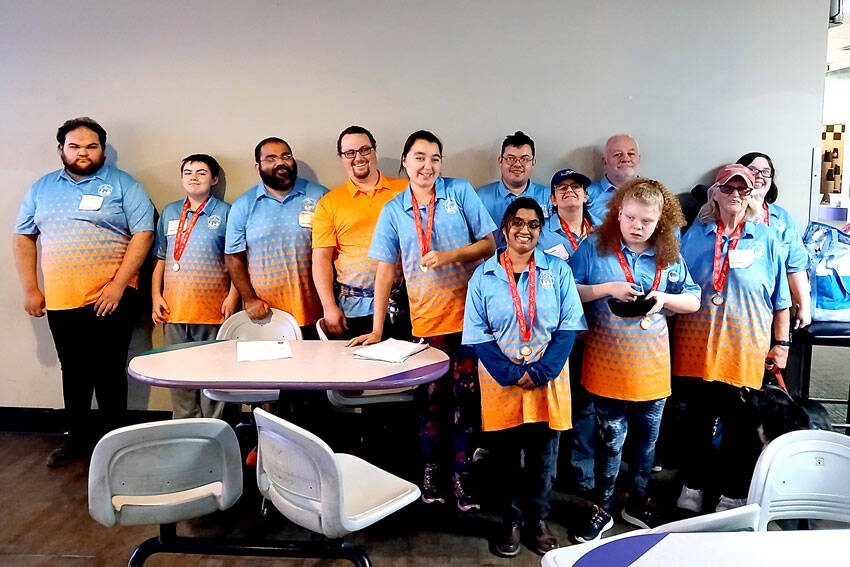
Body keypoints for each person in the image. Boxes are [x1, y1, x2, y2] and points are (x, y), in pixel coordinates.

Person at [350, 130, 496, 511]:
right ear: (404, 162)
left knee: (466, 400)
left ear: (441, 163)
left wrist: (450, 256)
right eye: (418, 157)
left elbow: (490, 244)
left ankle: (462, 475)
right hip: (426, 323)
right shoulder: (394, 209)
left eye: (434, 158)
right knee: (431, 402)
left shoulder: (460, 192)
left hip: (471, 319)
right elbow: (384, 270)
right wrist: (377, 329)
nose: (426, 165)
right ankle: (432, 471)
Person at [13, 117, 154, 467]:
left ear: (102, 149)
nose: (83, 153)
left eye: (91, 146)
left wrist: (119, 284)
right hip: (61, 299)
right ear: (61, 149)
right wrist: (31, 288)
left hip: (112, 296)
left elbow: (144, 234)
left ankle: (115, 444)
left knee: (108, 371)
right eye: (74, 146)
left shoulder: (123, 184)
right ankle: (75, 437)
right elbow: (23, 236)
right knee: (73, 371)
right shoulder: (42, 188)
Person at [569, 178, 700, 534]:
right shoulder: (594, 247)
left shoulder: (670, 253)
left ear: (662, 220)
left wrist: (665, 299)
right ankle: (604, 507)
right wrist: (607, 288)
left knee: (646, 444)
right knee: (610, 443)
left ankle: (639, 502)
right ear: (617, 214)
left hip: (654, 369)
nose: (637, 227)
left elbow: (694, 298)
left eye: (646, 221)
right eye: (629, 218)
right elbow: (567, 292)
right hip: (606, 366)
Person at [463, 197, 586, 557]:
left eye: (533, 224)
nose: (525, 230)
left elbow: (569, 326)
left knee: (542, 458)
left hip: (548, 381)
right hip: (502, 383)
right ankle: (510, 521)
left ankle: (537, 520)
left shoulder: (558, 272)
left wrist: (543, 371)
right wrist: (512, 374)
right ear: (505, 228)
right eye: (517, 222)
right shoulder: (483, 275)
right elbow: (477, 333)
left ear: (540, 230)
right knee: (504, 459)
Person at [673, 164, 791, 514]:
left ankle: (733, 492)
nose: (736, 195)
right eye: (728, 188)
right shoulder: (694, 235)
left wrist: (781, 345)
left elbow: (781, 299)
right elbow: (676, 283)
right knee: (695, 421)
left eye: (743, 189)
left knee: (740, 425)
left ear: (752, 194)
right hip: (695, 347)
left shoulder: (766, 238)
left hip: (745, 349)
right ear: (715, 193)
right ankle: (693, 484)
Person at [151, 154, 239, 418]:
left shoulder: (226, 212)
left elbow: (236, 260)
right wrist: (156, 295)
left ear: (214, 179)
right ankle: (184, 426)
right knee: (179, 374)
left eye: (201, 172)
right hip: (175, 310)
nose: (194, 177)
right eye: (188, 172)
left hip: (213, 310)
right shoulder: (169, 211)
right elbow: (161, 258)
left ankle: (214, 429)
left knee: (213, 374)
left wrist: (233, 296)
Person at [311, 126, 410, 339]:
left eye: (365, 150)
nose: (358, 157)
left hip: (406, 304)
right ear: (341, 158)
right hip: (355, 309)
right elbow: (321, 260)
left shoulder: (406, 190)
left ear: (375, 151)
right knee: (362, 370)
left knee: (408, 370)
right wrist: (328, 307)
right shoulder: (329, 203)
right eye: (350, 153)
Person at [225, 137, 328, 333]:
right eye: (271, 158)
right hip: (266, 316)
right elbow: (233, 258)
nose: (280, 162)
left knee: (317, 363)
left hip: (318, 311)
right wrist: (249, 299)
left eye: (286, 156)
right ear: (258, 167)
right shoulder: (243, 205)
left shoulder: (319, 196)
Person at [736, 152, 811, 329]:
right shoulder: (728, 212)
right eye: (752, 170)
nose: (759, 176)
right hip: (737, 307)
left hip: (777, 310)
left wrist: (804, 307)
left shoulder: (782, 218)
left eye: (765, 171)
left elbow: (796, 266)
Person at [477, 131, 550, 247]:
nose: (517, 164)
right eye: (511, 158)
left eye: (524, 159)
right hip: (494, 263)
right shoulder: (480, 197)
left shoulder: (549, 197)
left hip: (537, 263)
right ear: (500, 161)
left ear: (533, 163)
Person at [537, 168, 594, 260]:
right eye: (562, 188)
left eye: (576, 186)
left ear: (585, 196)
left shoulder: (602, 228)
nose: (569, 190)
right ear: (553, 199)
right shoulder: (540, 232)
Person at [586, 135, 641, 224]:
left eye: (631, 154)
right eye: (617, 154)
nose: (626, 159)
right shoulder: (584, 196)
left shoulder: (657, 195)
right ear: (605, 162)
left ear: (639, 159)